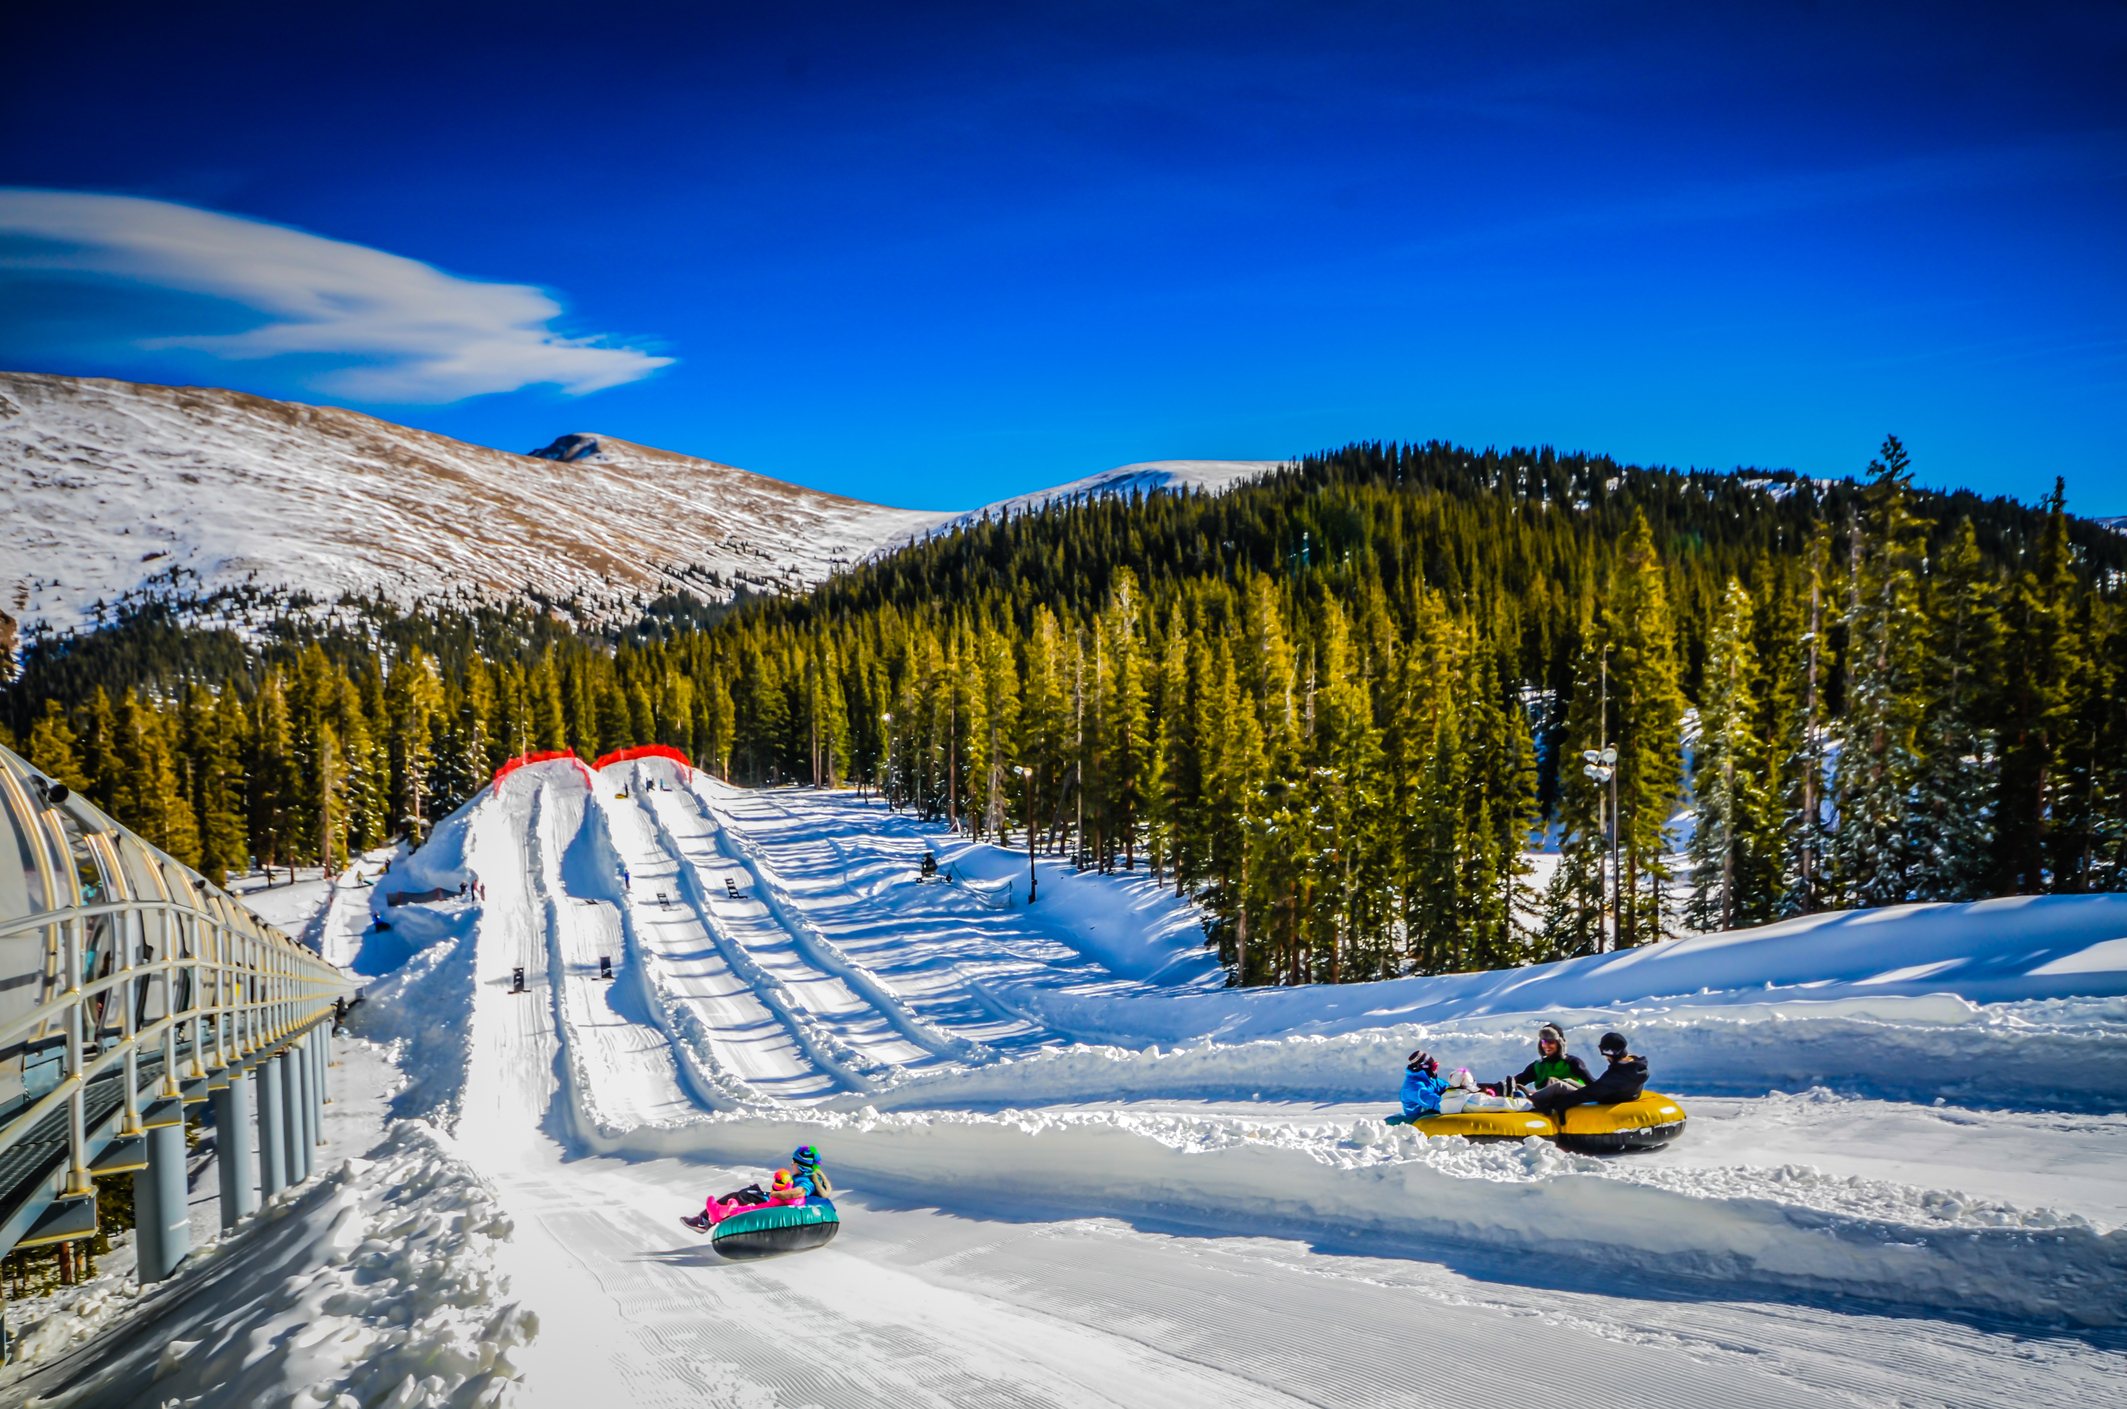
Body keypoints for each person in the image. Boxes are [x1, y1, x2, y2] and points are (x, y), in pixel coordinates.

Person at [1527, 1031, 1648, 1123]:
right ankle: (1533, 1097)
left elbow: (1587, 1093)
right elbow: (1597, 1086)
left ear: (1612, 1052)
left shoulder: (1618, 1075)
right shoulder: (1633, 1066)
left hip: (1602, 1099)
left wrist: (1555, 1105)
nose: (1605, 1056)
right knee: (1567, 1081)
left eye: (1605, 1052)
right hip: (1609, 1094)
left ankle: (1528, 1104)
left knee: (1560, 1086)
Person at [683, 1168, 807, 1231]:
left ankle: (705, 1220)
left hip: (783, 1199)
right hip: (786, 1196)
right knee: (749, 1191)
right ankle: (710, 1217)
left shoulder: (807, 1178)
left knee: (743, 1195)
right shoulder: (803, 1176)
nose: (793, 1164)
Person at [1503, 1023, 1592, 1098]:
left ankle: (1534, 1100)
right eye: (1544, 1041)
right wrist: (1495, 1087)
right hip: (1547, 1104)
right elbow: (1518, 1080)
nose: (1547, 1045)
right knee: (1517, 1088)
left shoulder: (1572, 1063)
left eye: (1551, 1041)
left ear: (1560, 1043)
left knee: (1554, 1083)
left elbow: (1592, 1084)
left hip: (1572, 1101)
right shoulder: (1538, 1066)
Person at [1392, 1049, 1453, 1123]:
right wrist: (1457, 1107)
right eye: (1434, 1067)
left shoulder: (1433, 1081)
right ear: (1426, 1068)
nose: (1436, 1070)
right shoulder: (1413, 1087)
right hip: (1419, 1119)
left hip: (1432, 1114)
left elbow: (1450, 1088)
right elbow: (1432, 1100)